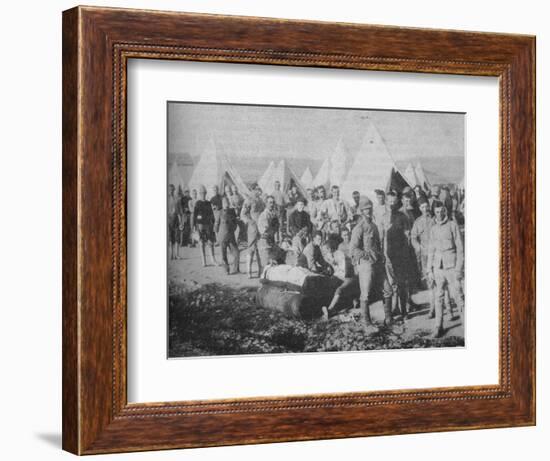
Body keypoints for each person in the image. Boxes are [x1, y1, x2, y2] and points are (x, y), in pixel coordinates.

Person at [426, 200, 465, 338]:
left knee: (458, 297)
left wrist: (459, 269)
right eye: (436, 212)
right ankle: (438, 326)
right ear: (434, 212)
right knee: (438, 297)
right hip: (438, 268)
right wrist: (429, 270)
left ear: (445, 211)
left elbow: (460, 249)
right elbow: (431, 250)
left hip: (452, 267)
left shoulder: (452, 225)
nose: (439, 214)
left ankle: (466, 325)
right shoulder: (433, 229)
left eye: (442, 211)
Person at [350, 196, 387, 330]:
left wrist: (380, 256)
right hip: (365, 264)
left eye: (370, 209)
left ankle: (389, 319)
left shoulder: (374, 226)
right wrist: (367, 255)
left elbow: (377, 244)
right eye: (366, 210)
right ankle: (366, 323)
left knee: (387, 290)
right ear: (361, 211)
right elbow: (353, 249)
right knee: (365, 293)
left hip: (377, 262)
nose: (369, 211)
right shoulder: (359, 228)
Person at [380, 191, 411, 320]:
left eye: (394, 202)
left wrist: (405, 253)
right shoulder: (382, 218)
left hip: (400, 255)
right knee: (391, 284)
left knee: (402, 283)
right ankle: (394, 308)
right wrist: (382, 254)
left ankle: (404, 311)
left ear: (397, 202)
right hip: (387, 255)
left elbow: (407, 235)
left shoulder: (402, 216)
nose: (392, 204)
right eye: (389, 201)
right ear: (386, 202)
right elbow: (381, 238)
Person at [321, 234, 358, 320]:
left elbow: (344, 272)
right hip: (339, 276)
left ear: (330, 249)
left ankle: (330, 310)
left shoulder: (340, 254)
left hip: (348, 277)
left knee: (339, 289)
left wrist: (333, 265)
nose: (323, 253)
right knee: (327, 284)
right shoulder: (328, 256)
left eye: (325, 250)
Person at [411, 197, 435, 316]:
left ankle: (447, 307)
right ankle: (433, 308)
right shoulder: (417, 222)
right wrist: (418, 247)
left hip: (437, 254)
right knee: (430, 282)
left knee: (441, 280)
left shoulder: (435, 219)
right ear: (420, 209)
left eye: (426, 206)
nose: (425, 209)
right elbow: (413, 237)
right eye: (422, 207)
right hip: (425, 256)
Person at [240, 185, 264, 278]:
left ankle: (260, 270)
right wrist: (251, 222)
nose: (258, 192)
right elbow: (243, 214)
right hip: (252, 228)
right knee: (251, 248)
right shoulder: (248, 200)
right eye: (256, 190)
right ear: (252, 190)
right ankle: (249, 271)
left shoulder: (261, 201)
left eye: (259, 190)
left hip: (261, 227)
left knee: (260, 249)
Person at [192, 185, 218, 267]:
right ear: (199, 194)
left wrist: (213, 223)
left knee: (210, 242)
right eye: (201, 193)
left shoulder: (208, 203)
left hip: (208, 225)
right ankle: (204, 261)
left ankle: (213, 260)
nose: (203, 194)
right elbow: (195, 215)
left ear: (206, 193)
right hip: (200, 225)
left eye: (204, 193)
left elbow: (211, 214)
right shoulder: (197, 203)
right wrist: (194, 226)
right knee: (202, 243)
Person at [215, 196, 240, 275]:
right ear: (222, 204)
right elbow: (216, 225)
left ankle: (236, 269)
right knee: (223, 255)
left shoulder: (232, 211)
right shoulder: (219, 212)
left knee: (236, 253)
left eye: (227, 202)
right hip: (222, 237)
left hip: (231, 236)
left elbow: (235, 222)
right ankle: (226, 269)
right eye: (224, 202)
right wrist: (217, 236)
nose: (226, 204)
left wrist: (233, 230)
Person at [257, 195, 280, 268]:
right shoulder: (264, 215)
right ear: (266, 204)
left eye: (273, 202)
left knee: (273, 264)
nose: (272, 204)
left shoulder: (274, 214)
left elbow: (277, 228)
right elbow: (265, 230)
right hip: (265, 242)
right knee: (266, 265)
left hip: (272, 242)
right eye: (270, 202)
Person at [167, 184, 180, 260]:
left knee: (177, 237)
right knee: (170, 238)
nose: (171, 191)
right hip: (168, 220)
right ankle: (171, 254)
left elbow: (179, 211)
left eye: (172, 189)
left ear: (174, 190)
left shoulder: (177, 199)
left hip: (176, 219)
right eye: (170, 190)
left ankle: (177, 254)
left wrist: (180, 220)